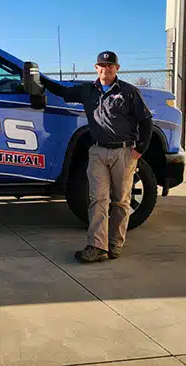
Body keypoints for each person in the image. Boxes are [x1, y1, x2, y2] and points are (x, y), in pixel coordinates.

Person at [39, 51, 153, 263]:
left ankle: (114, 245)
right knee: (97, 200)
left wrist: (139, 151)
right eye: (101, 65)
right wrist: (38, 78)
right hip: (98, 152)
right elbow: (63, 91)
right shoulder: (87, 91)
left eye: (110, 66)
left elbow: (146, 121)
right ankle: (96, 246)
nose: (105, 69)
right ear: (96, 67)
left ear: (117, 68)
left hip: (124, 153)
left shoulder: (129, 92)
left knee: (120, 202)